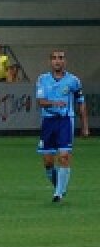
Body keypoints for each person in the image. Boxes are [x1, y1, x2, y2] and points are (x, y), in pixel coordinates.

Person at [35, 49, 89, 203]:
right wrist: (54, 103)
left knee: (64, 156)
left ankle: (58, 193)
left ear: (65, 61)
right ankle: (59, 186)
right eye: (54, 58)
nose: (57, 61)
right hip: (48, 122)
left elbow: (81, 102)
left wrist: (85, 126)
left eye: (61, 58)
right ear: (50, 61)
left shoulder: (73, 80)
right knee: (48, 162)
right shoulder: (42, 79)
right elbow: (40, 101)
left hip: (65, 121)